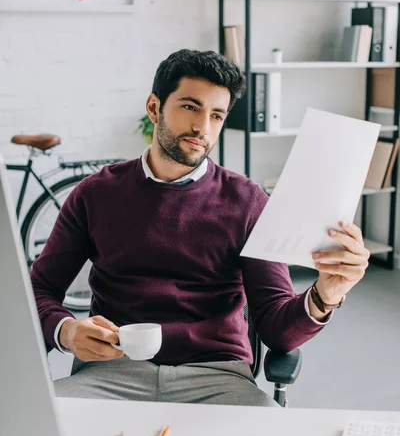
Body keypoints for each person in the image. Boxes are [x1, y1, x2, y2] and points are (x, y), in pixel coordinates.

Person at [31, 49, 370, 407]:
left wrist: (326, 295)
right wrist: (66, 331)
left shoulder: (247, 202)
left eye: (217, 115)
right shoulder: (95, 194)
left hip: (217, 376)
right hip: (110, 371)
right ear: (154, 107)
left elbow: (277, 330)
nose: (202, 128)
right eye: (190, 107)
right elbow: (38, 289)